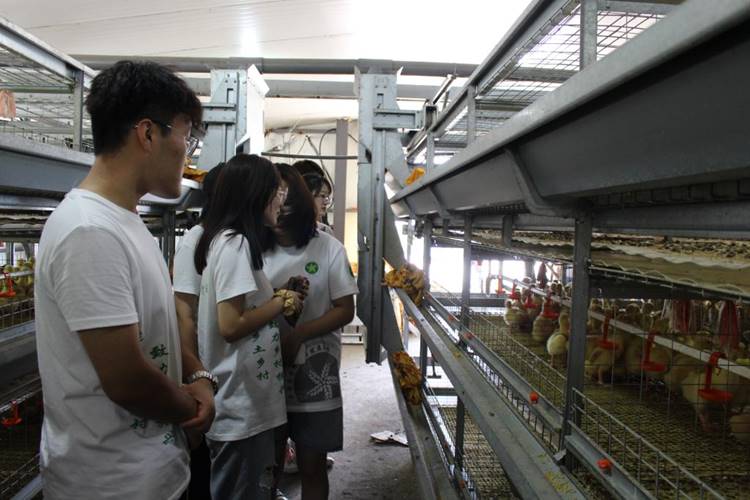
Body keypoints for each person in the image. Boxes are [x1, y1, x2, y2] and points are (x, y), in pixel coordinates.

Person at [34, 60, 214, 500]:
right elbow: (126, 379)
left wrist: (198, 374)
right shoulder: (89, 231)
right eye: (186, 137)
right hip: (111, 483)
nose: (188, 154)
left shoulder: (127, 220)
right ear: (148, 134)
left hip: (151, 470)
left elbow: (159, 327)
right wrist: (192, 408)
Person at [194, 154, 304, 499]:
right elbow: (231, 324)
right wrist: (280, 302)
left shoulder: (230, 241)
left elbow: (245, 308)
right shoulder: (234, 243)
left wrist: (278, 294)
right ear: (257, 194)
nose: (281, 199)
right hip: (240, 406)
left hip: (247, 402)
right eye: (276, 191)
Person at [264, 164, 358, 500]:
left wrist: (300, 334)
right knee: (268, 468)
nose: (278, 212)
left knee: (312, 465)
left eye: (285, 203)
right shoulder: (253, 246)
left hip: (315, 374)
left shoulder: (328, 247)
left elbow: (345, 309)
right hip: (265, 373)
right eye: (273, 202)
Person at [173, 161, 225, 499]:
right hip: (204, 371)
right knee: (203, 466)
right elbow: (184, 313)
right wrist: (197, 372)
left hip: (218, 372)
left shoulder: (224, 240)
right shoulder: (196, 241)